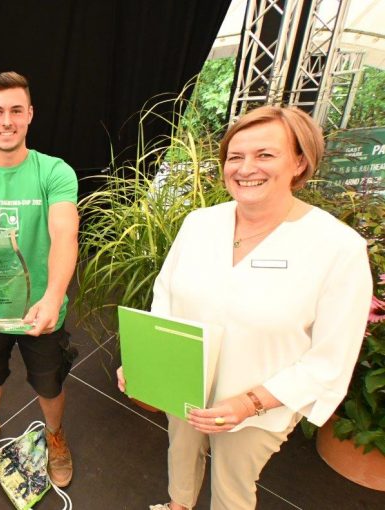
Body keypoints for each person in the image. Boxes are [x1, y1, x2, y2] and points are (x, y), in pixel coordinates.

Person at [117, 106, 372, 510]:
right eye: (235, 157)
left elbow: (330, 359)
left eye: (265, 155)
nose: (245, 167)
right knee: (180, 451)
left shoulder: (337, 248)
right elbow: (166, 295)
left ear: (300, 161)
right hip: (184, 382)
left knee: (233, 486)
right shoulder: (200, 223)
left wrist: (248, 403)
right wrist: (145, 362)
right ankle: (178, 505)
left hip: (259, 406)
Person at [0, 71, 80, 488]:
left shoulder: (55, 171)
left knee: (49, 379)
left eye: (16, 111)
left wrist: (53, 295)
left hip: (41, 307)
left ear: (29, 116)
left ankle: (55, 436)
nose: (7, 121)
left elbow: (65, 233)